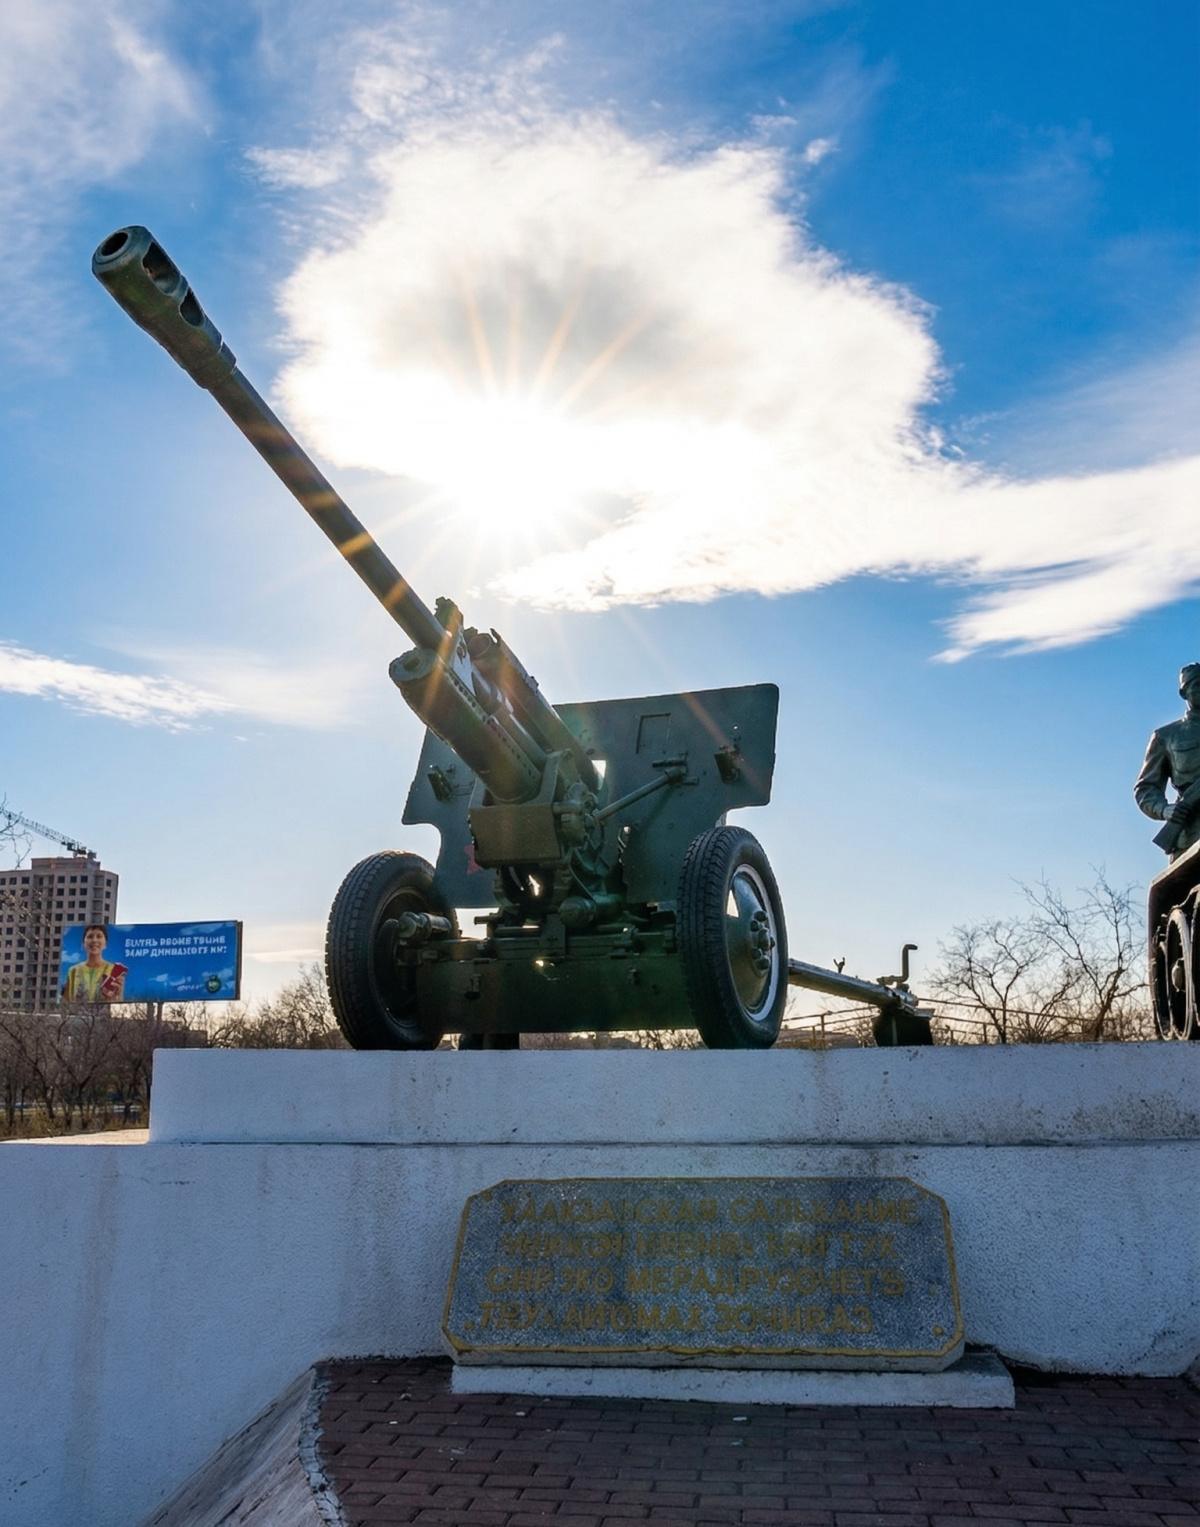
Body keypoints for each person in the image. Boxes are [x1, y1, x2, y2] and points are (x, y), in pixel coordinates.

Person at [1134, 663, 1200, 858]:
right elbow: (1146, 788)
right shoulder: (1166, 736)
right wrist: (1164, 810)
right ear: (1184, 693)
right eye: (1198, 684)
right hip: (1191, 836)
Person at [62, 924, 127, 1003]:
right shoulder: (73, 970)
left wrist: (116, 997)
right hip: (76, 1011)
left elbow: (119, 1000)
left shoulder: (114, 970)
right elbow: (66, 1001)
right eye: (90, 936)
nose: (94, 940)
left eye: (99, 936)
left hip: (104, 1010)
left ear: (105, 944)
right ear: (83, 944)